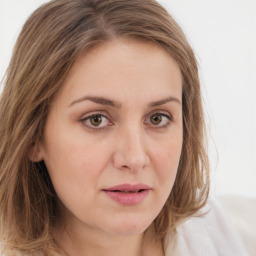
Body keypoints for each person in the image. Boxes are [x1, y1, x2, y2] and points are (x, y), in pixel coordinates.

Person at [0, 0, 248, 255]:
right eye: (96, 120)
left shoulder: (224, 232)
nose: (134, 158)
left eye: (157, 118)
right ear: (33, 136)